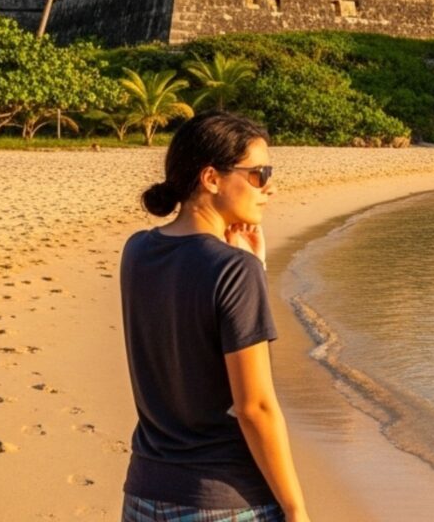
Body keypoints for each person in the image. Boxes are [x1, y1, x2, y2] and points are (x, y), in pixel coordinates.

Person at [119, 111, 310, 522]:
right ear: (211, 178)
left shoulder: (137, 250)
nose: (268, 188)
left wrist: (251, 270)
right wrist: (297, 510)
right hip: (224, 501)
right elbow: (254, 406)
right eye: (259, 174)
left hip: (143, 494)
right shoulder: (232, 271)